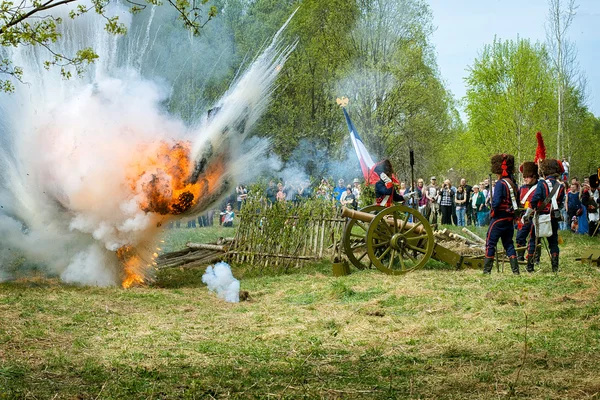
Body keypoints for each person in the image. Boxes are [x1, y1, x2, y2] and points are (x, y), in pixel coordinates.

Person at [527, 157, 566, 272]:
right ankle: (555, 268)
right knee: (553, 243)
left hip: (540, 217)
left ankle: (530, 267)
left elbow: (534, 200)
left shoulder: (542, 183)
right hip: (553, 218)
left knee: (533, 241)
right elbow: (560, 203)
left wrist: (530, 212)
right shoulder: (561, 186)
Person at [483, 154, 520, 275]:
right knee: (509, 244)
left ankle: (487, 270)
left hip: (499, 218)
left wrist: (492, 212)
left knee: (490, 242)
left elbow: (497, 202)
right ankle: (515, 270)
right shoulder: (513, 184)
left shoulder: (500, 184)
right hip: (509, 219)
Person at [516, 161, 539, 272]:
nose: (525, 179)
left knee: (534, 239)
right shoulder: (522, 188)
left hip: (535, 216)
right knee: (520, 237)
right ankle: (520, 256)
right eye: (524, 176)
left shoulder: (539, 187)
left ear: (534, 176)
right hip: (524, 216)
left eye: (527, 177)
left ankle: (535, 258)